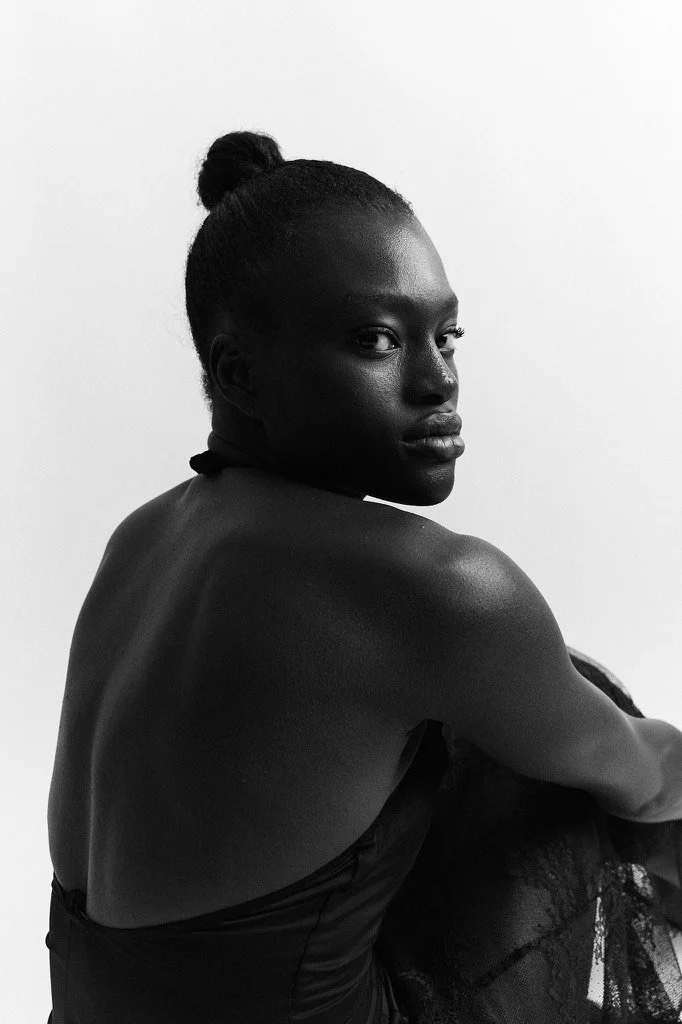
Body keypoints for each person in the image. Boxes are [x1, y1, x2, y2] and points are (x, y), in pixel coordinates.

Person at [45, 130, 682, 1023]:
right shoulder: (435, 589)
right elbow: (648, 777)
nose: (438, 381)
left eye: (447, 334)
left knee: (497, 718)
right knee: (583, 714)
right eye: (379, 340)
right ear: (237, 372)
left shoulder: (140, 538)